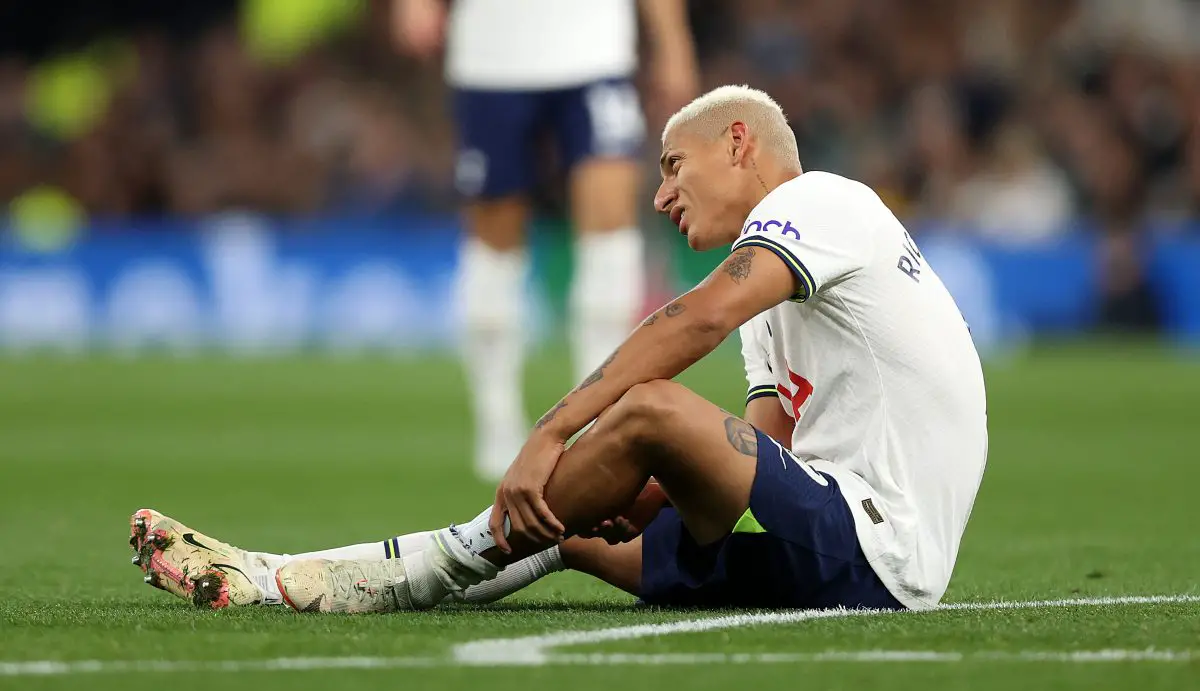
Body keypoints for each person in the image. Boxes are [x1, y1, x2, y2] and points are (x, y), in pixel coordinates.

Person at [131, 86, 988, 614]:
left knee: (647, 408)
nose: (659, 195)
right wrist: (633, 486)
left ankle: (426, 566)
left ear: (739, 144)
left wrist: (555, 431)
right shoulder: (778, 301)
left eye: (671, 165)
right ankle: (287, 577)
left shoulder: (821, 200)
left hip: (882, 541)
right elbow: (748, 471)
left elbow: (689, 323)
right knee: (562, 530)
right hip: (843, 547)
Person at [393, 0, 700, 480]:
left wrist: (672, 40)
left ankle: (600, 416)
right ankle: (497, 417)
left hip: (596, 52)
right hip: (493, 59)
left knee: (609, 227)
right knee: (495, 237)